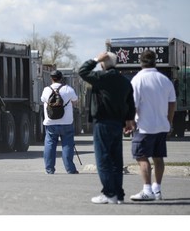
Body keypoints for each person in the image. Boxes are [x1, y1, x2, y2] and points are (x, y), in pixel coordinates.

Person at [78, 52, 135, 204]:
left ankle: (109, 193)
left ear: (103, 63)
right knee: (116, 160)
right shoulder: (124, 81)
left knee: (103, 159)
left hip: (103, 122)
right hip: (118, 123)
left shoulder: (102, 78)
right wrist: (129, 119)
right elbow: (130, 102)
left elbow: (82, 71)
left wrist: (96, 59)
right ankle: (119, 194)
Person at [129, 50, 176, 201]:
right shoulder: (164, 80)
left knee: (141, 156)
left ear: (140, 62)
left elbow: (133, 105)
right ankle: (157, 188)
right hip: (162, 125)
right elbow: (172, 103)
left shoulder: (137, 80)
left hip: (144, 126)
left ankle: (147, 189)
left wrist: (130, 122)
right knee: (158, 157)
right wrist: (169, 121)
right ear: (156, 61)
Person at [41, 70, 79, 175]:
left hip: (50, 122)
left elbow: (43, 100)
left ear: (51, 78)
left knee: (50, 145)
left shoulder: (46, 90)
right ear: (61, 78)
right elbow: (75, 101)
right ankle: (70, 169)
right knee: (67, 145)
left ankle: (49, 169)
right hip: (66, 122)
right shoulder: (68, 89)